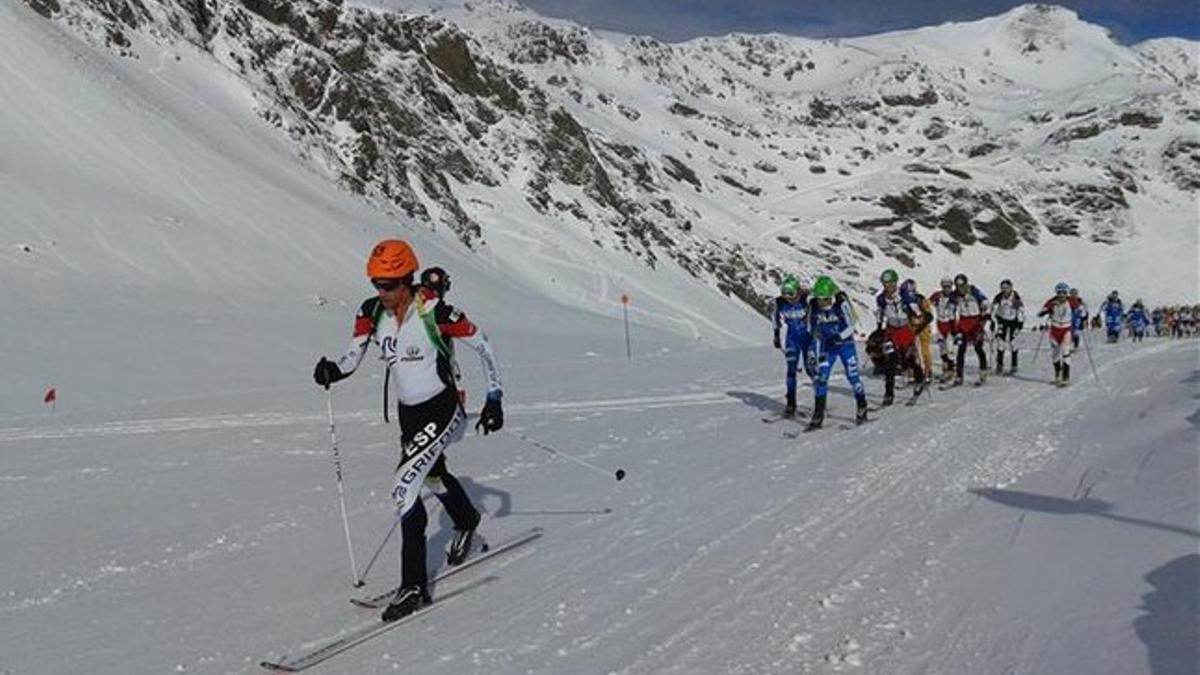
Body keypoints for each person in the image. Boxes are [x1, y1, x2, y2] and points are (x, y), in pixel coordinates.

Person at [313, 239, 504, 622]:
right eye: (375, 283)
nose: (381, 292)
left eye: (388, 284)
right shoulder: (370, 312)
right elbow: (355, 353)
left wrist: (495, 397)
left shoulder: (436, 311)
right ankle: (466, 519)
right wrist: (335, 369)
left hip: (442, 406)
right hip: (409, 412)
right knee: (431, 475)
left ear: (407, 279)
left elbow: (483, 344)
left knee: (404, 486)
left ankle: (413, 584)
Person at [806, 276, 869, 430]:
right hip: (827, 347)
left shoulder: (841, 303)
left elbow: (852, 326)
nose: (822, 302)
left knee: (853, 376)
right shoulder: (814, 306)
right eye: (819, 299)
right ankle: (818, 414)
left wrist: (839, 337)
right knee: (822, 378)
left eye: (826, 299)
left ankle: (862, 405)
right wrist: (813, 351)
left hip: (845, 345)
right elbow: (812, 330)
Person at [875, 269, 928, 406]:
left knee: (909, 359)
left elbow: (917, 311)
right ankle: (889, 394)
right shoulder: (881, 298)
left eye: (890, 284)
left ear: (895, 283)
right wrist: (879, 327)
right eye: (885, 284)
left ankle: (920, 379)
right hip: (891, 332)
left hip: (905, 330)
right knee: (890, 362)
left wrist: (920, 318)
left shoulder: (905, 295)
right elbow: (880, 313)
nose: (887, 287)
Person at [772, 275, 815, 418]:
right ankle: (791, 403)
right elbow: (776, 319)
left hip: (807, 338)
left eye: (791, 294)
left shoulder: (806, 300)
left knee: (810, 369)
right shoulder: (781, 303)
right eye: (784, 294)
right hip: (792, 339)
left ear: (798, 291)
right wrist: (777, 335)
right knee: (791, 370)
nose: (788, 298)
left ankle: (820, 397)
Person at [1037, 282, 1082, 387]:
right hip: (1054, 330)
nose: (1061, 295)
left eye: (1063, 293)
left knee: (1066, 352)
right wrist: (1047, 310)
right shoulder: (1052, 301)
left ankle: (1066, 376)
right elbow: (1040, 313)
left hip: (1066, 329)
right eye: (1059, 293)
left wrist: (1078, 313)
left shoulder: (1071, 301)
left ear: (1067, 293)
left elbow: (1081, 311)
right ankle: (1058, 373)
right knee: (1055, 354)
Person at [948, 273, 990, 386]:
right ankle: (959, 376)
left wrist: (985, 315)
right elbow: (951, 308)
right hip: (963, 323)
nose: (960, 289)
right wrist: (953, 327)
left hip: (975, 322)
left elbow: (985, 302)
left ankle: (983, 372)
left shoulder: (973, 291)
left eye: (962, 286)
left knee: (978, 348)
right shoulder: (955, 294)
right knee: (961, 349)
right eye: (957, 286)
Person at [903, 279, 936, 382]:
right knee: (910, 350)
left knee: (924, 349)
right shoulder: (904, 301)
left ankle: (928, 371)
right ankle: (912, 372)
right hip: (911, 327)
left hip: (923, 327)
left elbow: (929, 315)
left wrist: (921, 324)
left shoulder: (920, 299)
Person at [992, 279, 1025, 375]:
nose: (1004, 290)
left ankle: (1014, 365)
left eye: (1006, 288)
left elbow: (1021, 310)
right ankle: (1000, 365)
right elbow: (993, 309)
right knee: (1000, 343)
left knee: (1013, 343)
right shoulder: (999, 297)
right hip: (1002, 320)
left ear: (1011, 288)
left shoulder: (1015, 297)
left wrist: (1020, 322)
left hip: (1013, 321)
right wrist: (993, 321)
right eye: (1002, 288)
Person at [928, 277, 958, 382]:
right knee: (942, 348)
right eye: (945, 287)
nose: (947, 289)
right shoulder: (937, 295)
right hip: (940, 324)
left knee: (950, 348)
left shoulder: (955, 296)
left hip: (951, 325)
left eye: (949, 287)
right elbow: (927, 303)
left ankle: (951, 368)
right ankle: (946, 367)